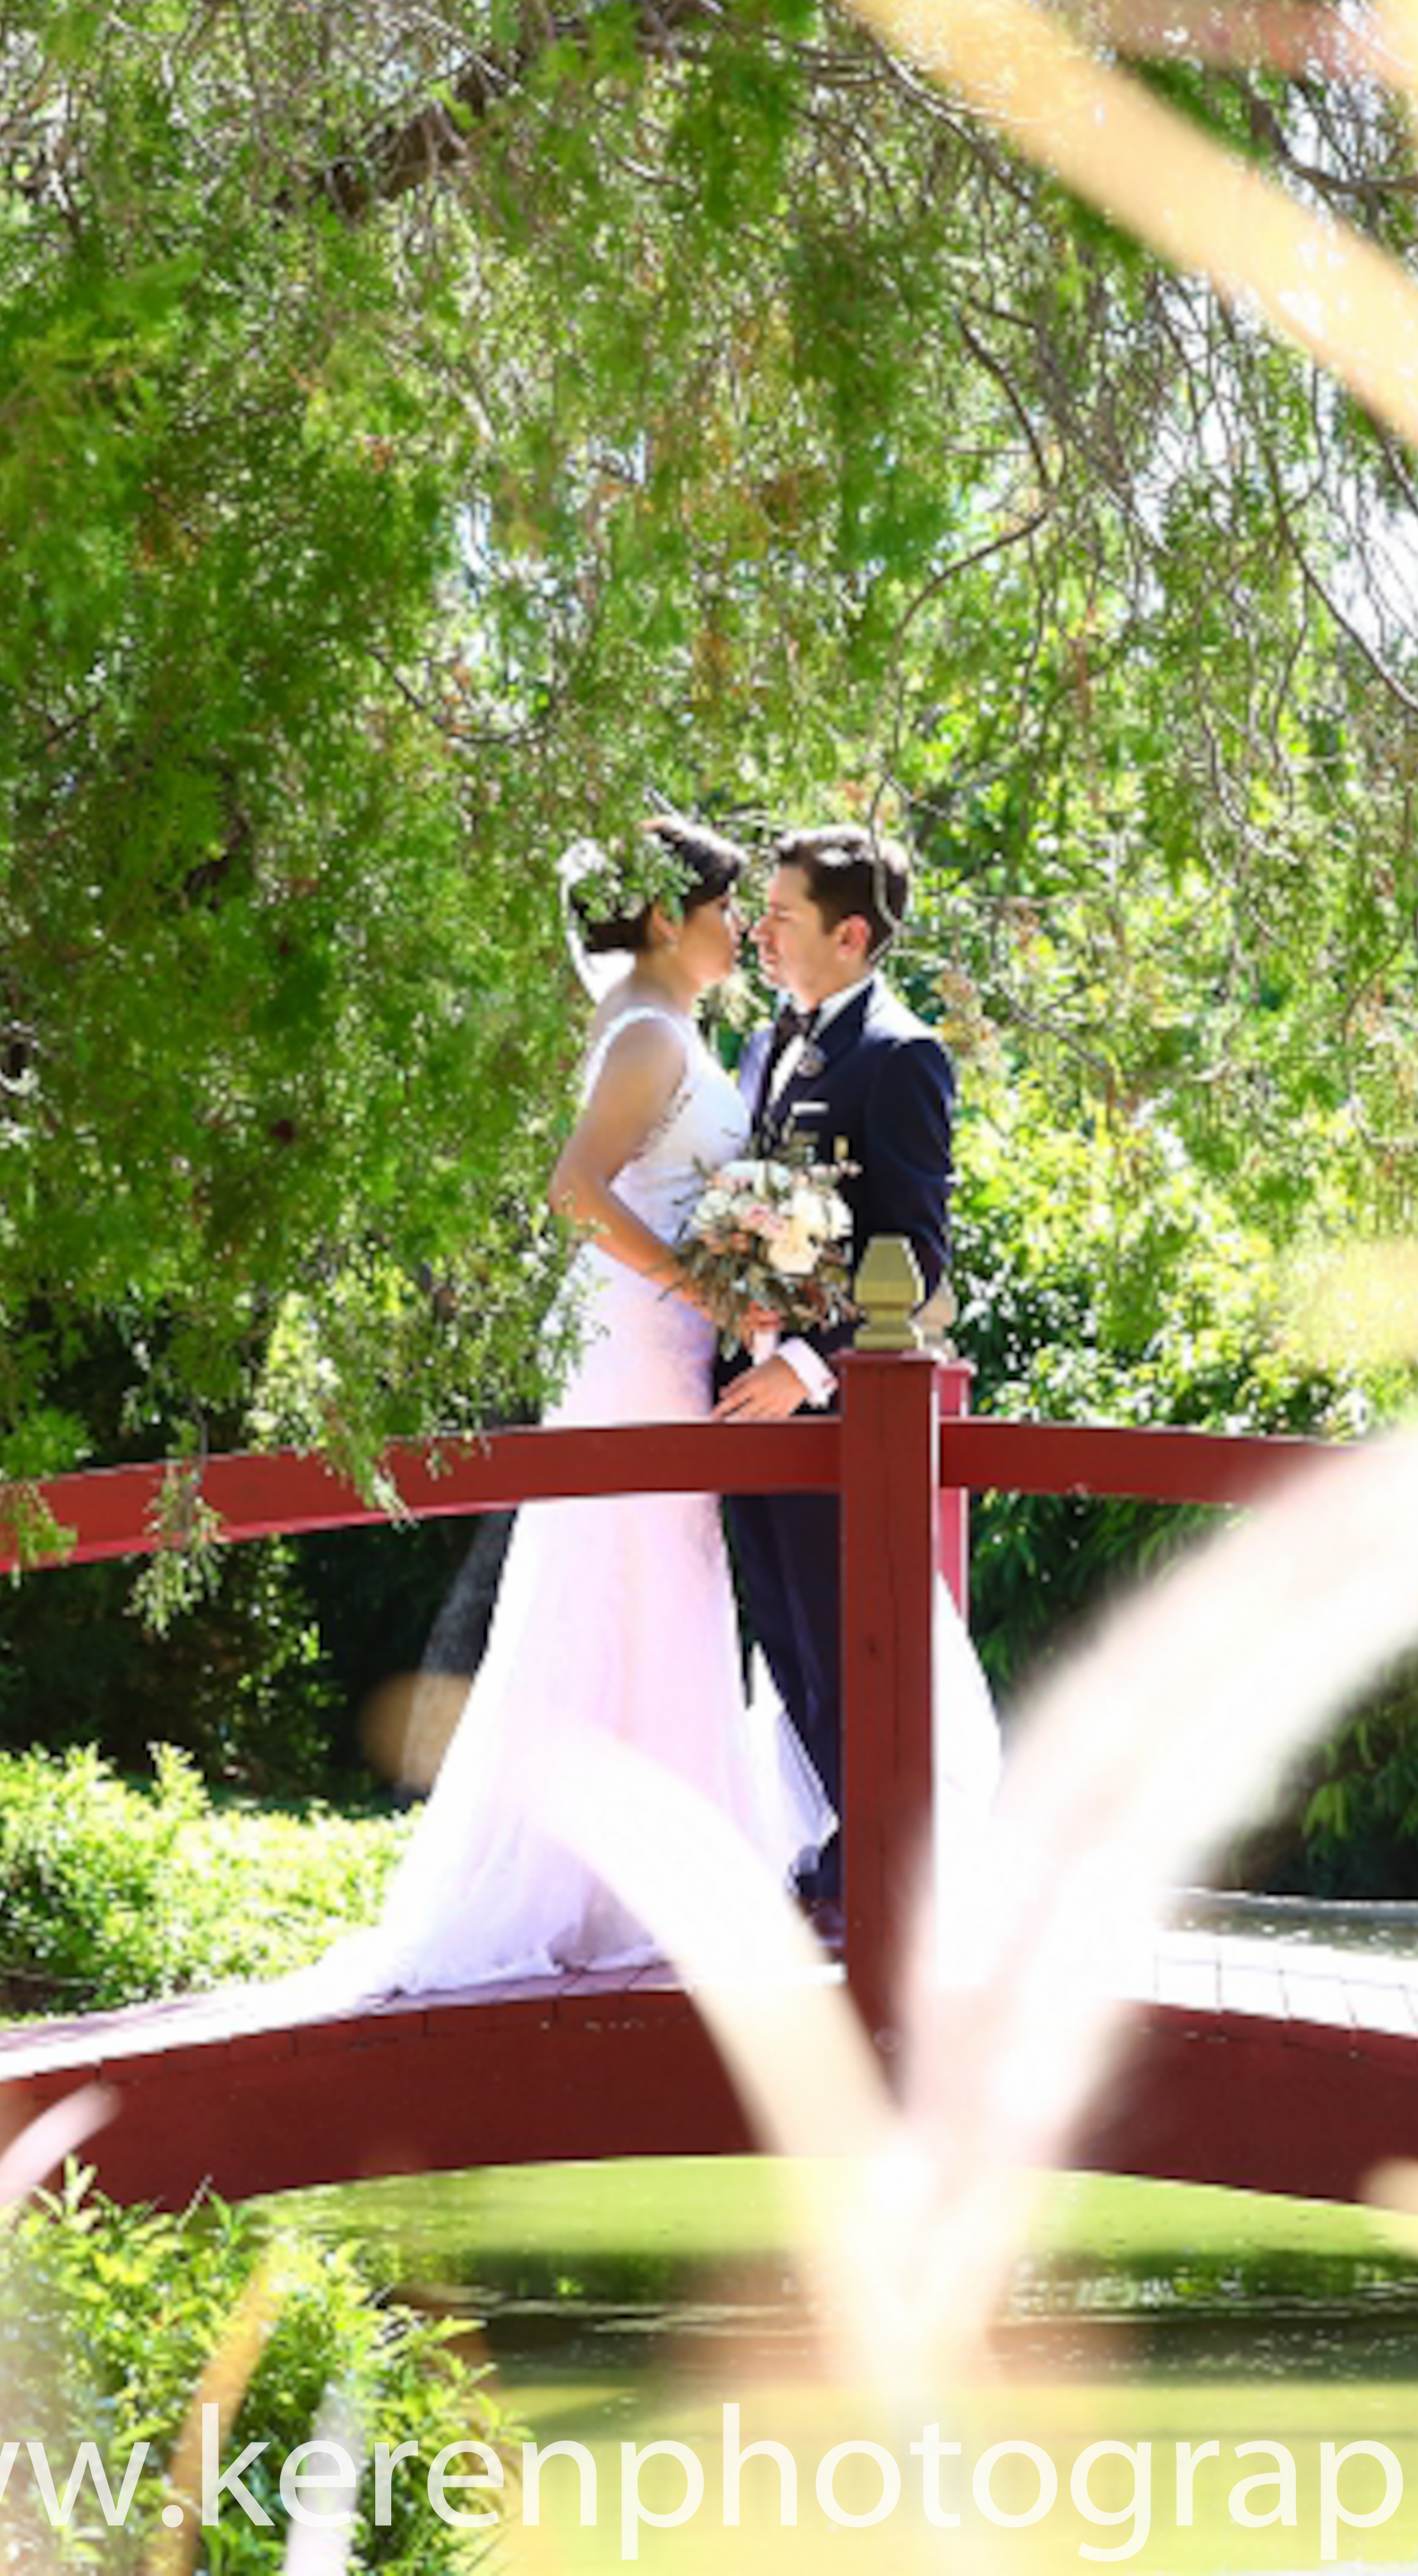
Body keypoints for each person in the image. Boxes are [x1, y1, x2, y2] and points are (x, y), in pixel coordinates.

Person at [324, 818, 825, 1991]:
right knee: (620, 1576)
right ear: (665, 918)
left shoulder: (668, 1029)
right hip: (631, 1347)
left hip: (665, 1340)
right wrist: (705, 1280)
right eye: (724, 907)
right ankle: (594, 1882)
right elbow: (575, 1190)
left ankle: (661, 1864)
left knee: (667, 1578)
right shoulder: (647, 1035)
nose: (740, 929)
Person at [713, 823, 983, 1926]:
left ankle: (885, 1859)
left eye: (781, 915)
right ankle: (844, 1839)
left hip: (827, 1407)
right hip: (747, 1393)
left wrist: (808, 1372)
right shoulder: (770, 1038)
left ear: (852, 932)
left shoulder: (902, 1053)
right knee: (782, 1629)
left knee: (842, 1635)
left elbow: (917, 1250)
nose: (759, 932)